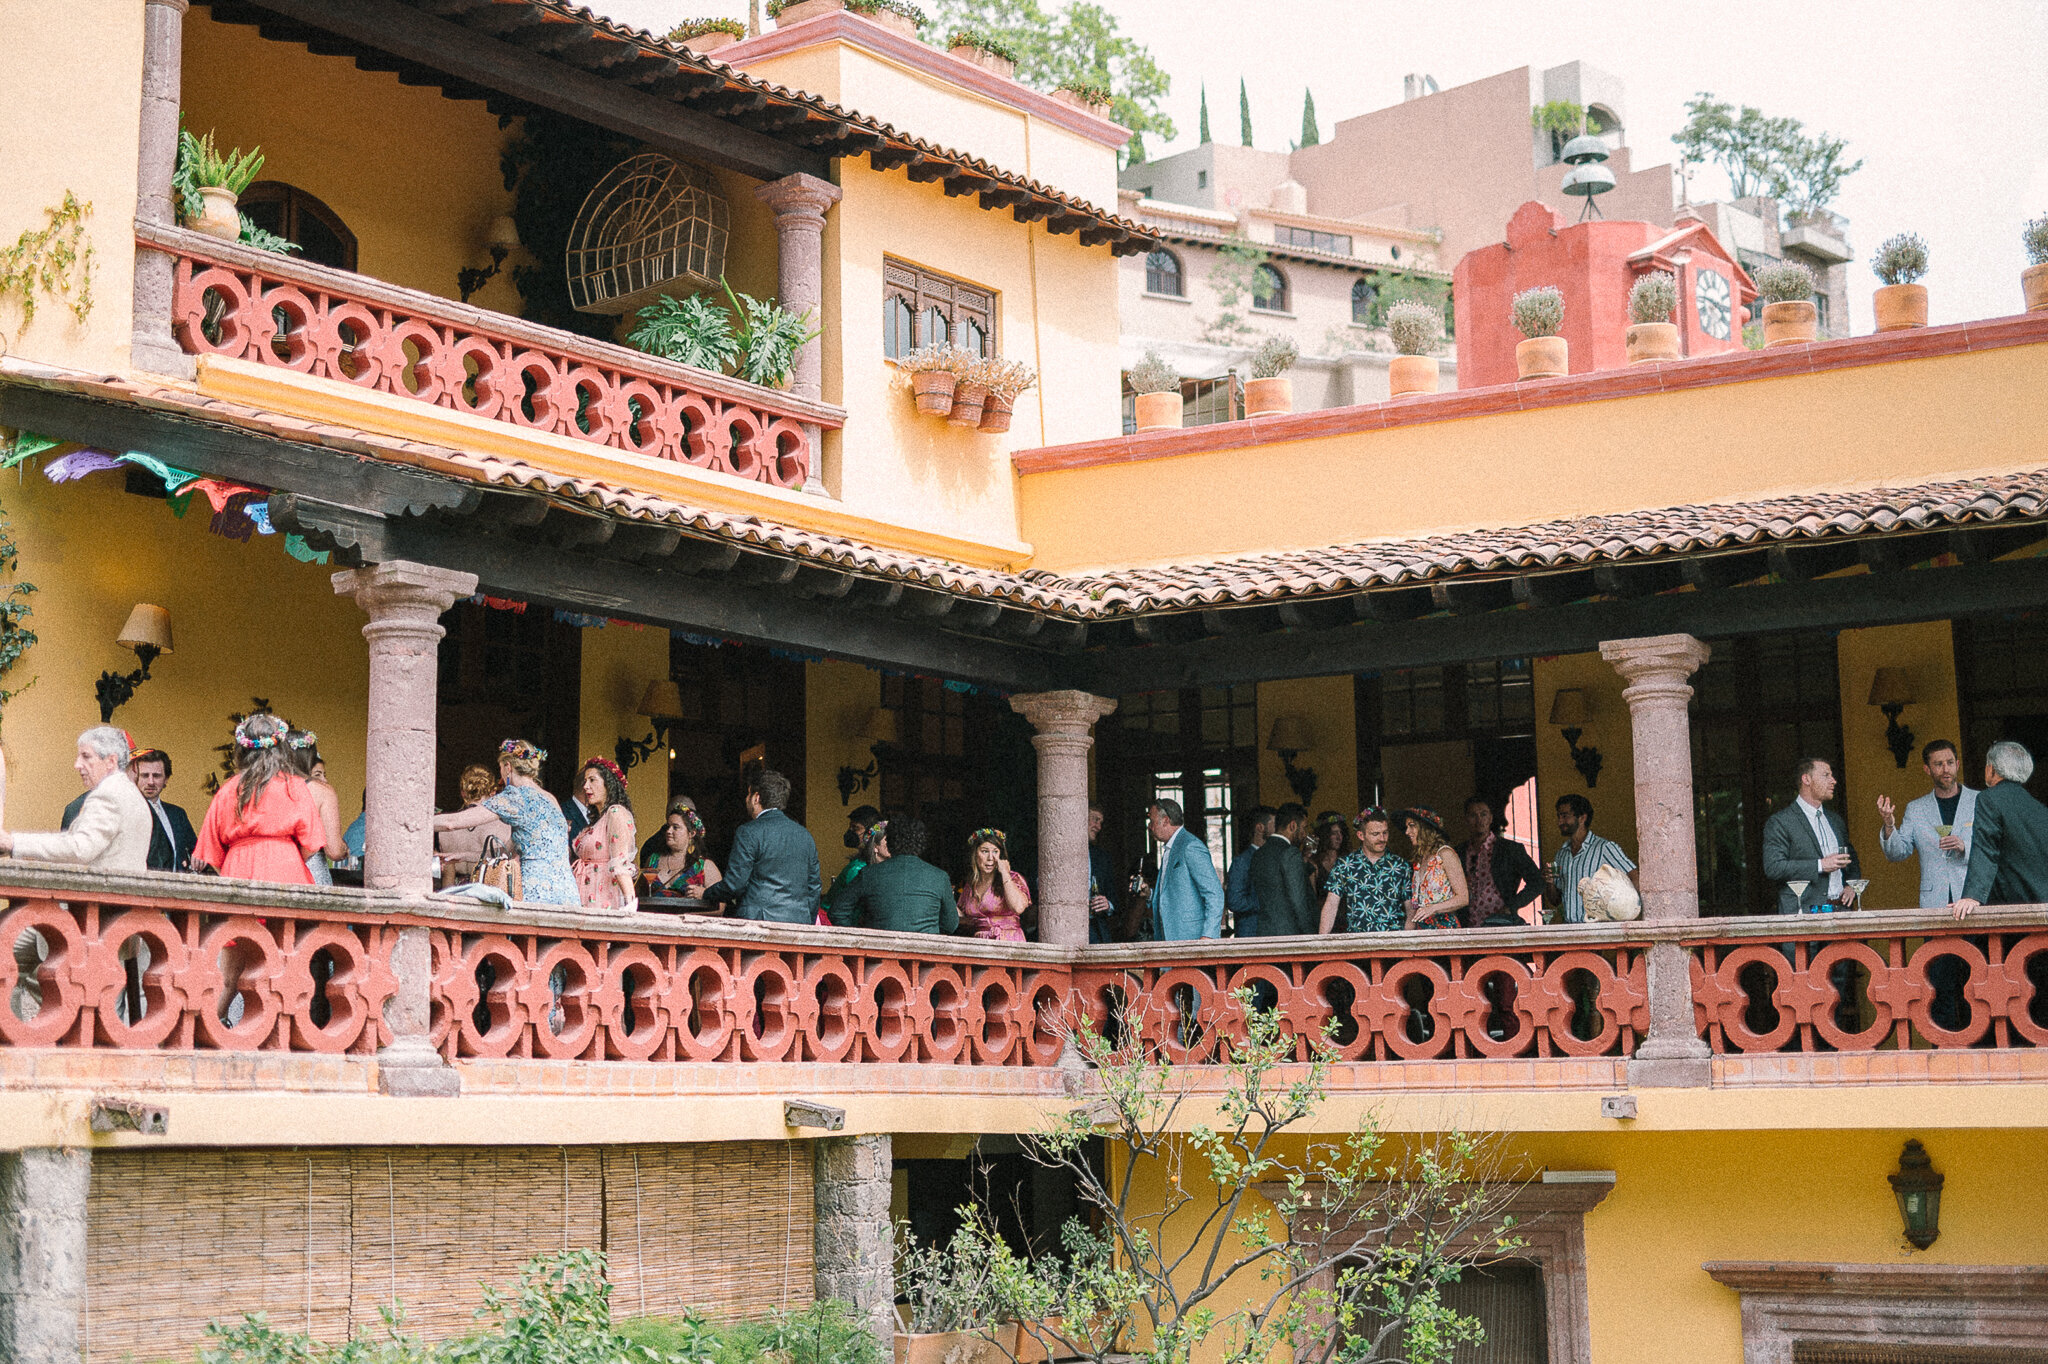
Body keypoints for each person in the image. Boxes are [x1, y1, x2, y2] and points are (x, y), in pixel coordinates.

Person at [433, 739, 578, 907]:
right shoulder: (550, 798)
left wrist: (415, 821)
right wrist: (464, 856)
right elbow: (506, 851)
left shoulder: (515, 796)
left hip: (535, 890)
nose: (501, 774)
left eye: (501, 768)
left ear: (508, 767)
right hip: (567, 892)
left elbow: (452, 822)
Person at [192, 715, 327, 884]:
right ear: (281, 750)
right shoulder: (295, 786)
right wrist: (285, 853)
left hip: (237, 871)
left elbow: (212, 851)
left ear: (241, 751)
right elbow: (310, 843)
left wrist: (233, 867)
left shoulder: (226, 791)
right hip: (286, 870)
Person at [0, 726, 152, 871]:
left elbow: (80, 848)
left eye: (86, 756)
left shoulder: (109, 794)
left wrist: (14, 842)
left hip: (100, 896)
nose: (77, 765)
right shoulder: (132, 794)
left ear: (111, 761)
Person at [705, 769, 823, 924]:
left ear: (756, 798)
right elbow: (814, 888)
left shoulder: (748, 832)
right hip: (798, 923)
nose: (746, 799)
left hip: (758, 925)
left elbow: (735, 885)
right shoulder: (805, 836)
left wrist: (706, 894)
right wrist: (807, 921)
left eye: (748, 794)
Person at [1953, 741, 2048, 918]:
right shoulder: (2040, 809)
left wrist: (1972, 896)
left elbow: (1986, 848)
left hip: (2009, 910)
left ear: (1992, 769)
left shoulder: (1989, 799)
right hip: (2041, 908)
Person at [1879, 739, 1977, 908]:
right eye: (1938, 764)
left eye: (1950, 763)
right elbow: (1897, 853)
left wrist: (1964, 846)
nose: (1946, 769)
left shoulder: (1979, 801)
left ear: (1958, 764)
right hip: (1933, 902)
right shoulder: (1916, 808)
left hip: (1971, 897)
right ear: (1927, 769)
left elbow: (1994, 848)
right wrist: (1889, 824)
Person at [1762, 758, 1860, 915]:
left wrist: (1851, 886)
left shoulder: (1835, 820)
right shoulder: (1780, 822)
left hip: (1841, 913)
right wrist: (1820, 865)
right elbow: (1773, 867)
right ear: (1806, 779)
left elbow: (1852, 859)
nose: (1833, 781)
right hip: (1802, 917)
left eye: (1832, 775)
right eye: (1826, 775)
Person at [844, 817, 959, 934]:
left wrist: (858, 938)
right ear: (922, 843)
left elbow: (838, 911)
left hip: (880, 949)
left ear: (889, 842)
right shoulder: (940, 877)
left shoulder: (869, 873)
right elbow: (951, 924)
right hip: (924, 949)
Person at [1544, 795, 1637, 924]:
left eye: (1565, 816)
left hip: (1598, 932)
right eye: (1558, 816)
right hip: (1569, 930)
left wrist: (1624, 912)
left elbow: (1634, 878)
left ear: (1582, 817)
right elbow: (1556, 901)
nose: (1559, 822)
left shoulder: (1605, 848)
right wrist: (1550, 882)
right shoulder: (1561, 855)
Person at [1318, 807, 1411, 933]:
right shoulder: (1345, 865)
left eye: (1385, 832)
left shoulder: (1401, 866)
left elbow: (1411, 910)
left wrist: (1406, 944)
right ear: (1361, 835)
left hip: (1393, 944)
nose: (1382, 839)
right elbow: (1331, 906)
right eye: (1375, 834)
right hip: (1358, 944)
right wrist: (1322, 943)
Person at [1144, 799, 1224, 941]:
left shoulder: (1190, 846)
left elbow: (1214, 894)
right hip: (1170, 942)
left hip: (1192, 942)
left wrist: (1208, 936)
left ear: (1166, 820)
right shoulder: (1171, 847)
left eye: (1151, 821)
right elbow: (1173, 895)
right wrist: (1150, 894)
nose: (1149, 827)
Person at [1459, 794, 1544, 927]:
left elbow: (1538, 882)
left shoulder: (1509, 849)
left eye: (1483, 814)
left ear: (1491, 818)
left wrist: (1512, 906)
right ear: (1466, 819)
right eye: (1473, 815)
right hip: (1466, 926)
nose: (1479, 820)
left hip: (1501, 923)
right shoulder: (1459, 852)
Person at [571, 757, 638, 913]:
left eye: (592, 780)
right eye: (585, 781)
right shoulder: (597, 820)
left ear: (608, 784)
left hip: (602, 895)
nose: (586, 786)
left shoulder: (615, 813)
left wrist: (629, 903)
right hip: (584, 892)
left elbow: (620, 862)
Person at [284, 730, 349, 886]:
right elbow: (334, 850)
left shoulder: (267, 788)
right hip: (311, 870)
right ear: (311, 758)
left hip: (275, 867)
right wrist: (345, 850)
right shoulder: (322, 791)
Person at [436, 763, 512, 885]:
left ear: (463, 793)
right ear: (493, 792)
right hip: (488, 892)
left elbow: (448, 875)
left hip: (456, 893)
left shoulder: (445, 828)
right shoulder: (504, 825)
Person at [1248, 803, 1313, 937]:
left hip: (1264, 933)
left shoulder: (1258, 854)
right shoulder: (1291, 853)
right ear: (1293, 826)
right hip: (1290, 935)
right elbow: (1298, 901)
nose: (1304, 834)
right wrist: (1312, 933)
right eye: (1304, 828)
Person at [128, 747, 197, 873]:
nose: (151, 782)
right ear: (134, 777)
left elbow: (195, 851)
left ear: (166, 779)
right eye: (144, 775)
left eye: (156, 776)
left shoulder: (177, 814)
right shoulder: (127, 811)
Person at [959, 828, 1032, 941]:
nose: (990, 858)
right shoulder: (971, 884)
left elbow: (1018, 907)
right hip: (979, 944)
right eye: (985, 851)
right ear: (975, 854)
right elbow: (963, 916)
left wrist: (1005, 873)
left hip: (1008, 941)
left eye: (995, 852)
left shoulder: (1013, 878)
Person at [1402, 808, 1469, 929]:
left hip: (1444, 929)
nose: (1407, 832)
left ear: (1425, 829)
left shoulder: (1445, 854)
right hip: (1422, 931)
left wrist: (1433, 909)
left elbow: (1463, 898)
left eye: (1412, 826)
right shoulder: (1419, 860)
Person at [642, 802, 721, 899]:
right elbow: (639, 896)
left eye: (676, 827)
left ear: (691, 834)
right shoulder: (653, 860)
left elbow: (720, 907)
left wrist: (703, 895)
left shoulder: (705, 867)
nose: (669, 831)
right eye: (668, 826)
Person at [824, 804, 883, 927]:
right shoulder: (857, 869)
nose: (850, 832)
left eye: (855, 828)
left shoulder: (860, 867)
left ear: (870, 833)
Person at [1227, 806, 1273, 937]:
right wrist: (1266, 902)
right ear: (1260, 828)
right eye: (1274, 824)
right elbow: (1234, 901)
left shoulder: (1273, 858)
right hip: (1251, 934)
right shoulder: (1242, 861)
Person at [1086, 804, 1120, 943]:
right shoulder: (1055, 852)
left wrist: (1108, 904)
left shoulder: (1102, 858)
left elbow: (1115, 899)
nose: (1098, 827)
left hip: (1095, 931)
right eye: (1095, 819)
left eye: (1101, 822)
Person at [1307, 811, 1348, 918]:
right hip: (1323, 918)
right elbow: (1311, 900)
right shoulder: (1314, 864)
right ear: (1325, 835)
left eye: (1341, 833)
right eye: (1334, 833)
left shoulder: (1348, 861)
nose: (1339, 837)